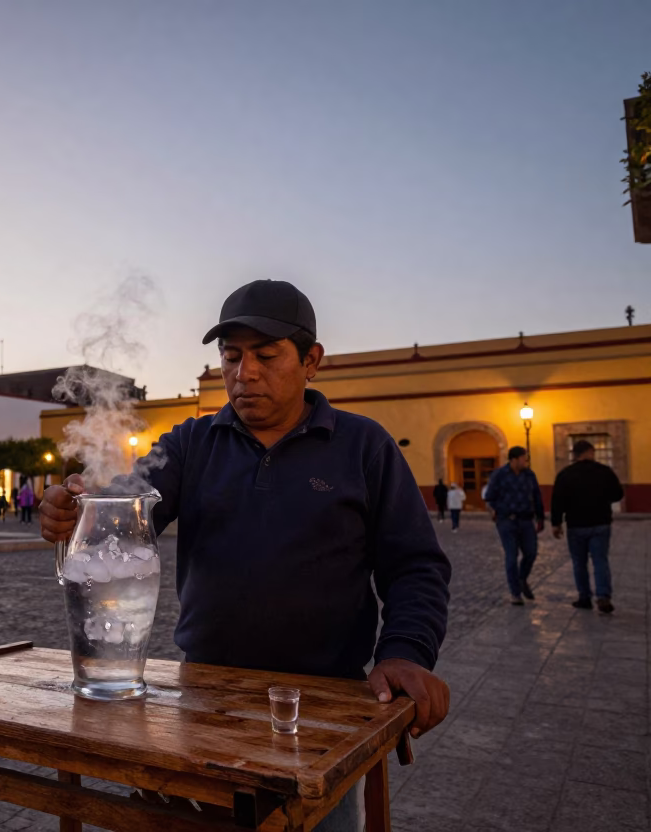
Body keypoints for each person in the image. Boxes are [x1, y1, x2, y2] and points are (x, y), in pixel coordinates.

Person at [40, 280, 451, 832]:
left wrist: (404, 651)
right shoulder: (192, 443)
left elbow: (416, 565)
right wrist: (75, 512)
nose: (244, 372)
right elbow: (123, 515)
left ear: (312, 361)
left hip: (326, 703)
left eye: (265, 355)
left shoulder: (363, 446)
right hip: (205, 696)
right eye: (231, 357)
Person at [552, 439, 624, 613]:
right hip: (600, 523)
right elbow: (617, 494)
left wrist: (556, 523)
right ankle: (603, 596)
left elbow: (557, 501)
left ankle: (584, 597)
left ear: (575, 455)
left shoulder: (565, 474)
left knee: (579, 562)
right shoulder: (604, 472)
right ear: (590, 452)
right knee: (600, 560)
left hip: (576, 524)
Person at [483, 446, 544, 606]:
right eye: (524, 458)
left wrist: (541, 517)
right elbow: (490, 497)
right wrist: (496, 511)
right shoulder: (499, 475)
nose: (526, 461)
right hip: (507, 521)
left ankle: (522, 578)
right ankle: (515, 593)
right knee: (511, 556)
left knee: (531, 553)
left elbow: (537, 495)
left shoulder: (529, 475)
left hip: (526, 520)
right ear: (514, 459)